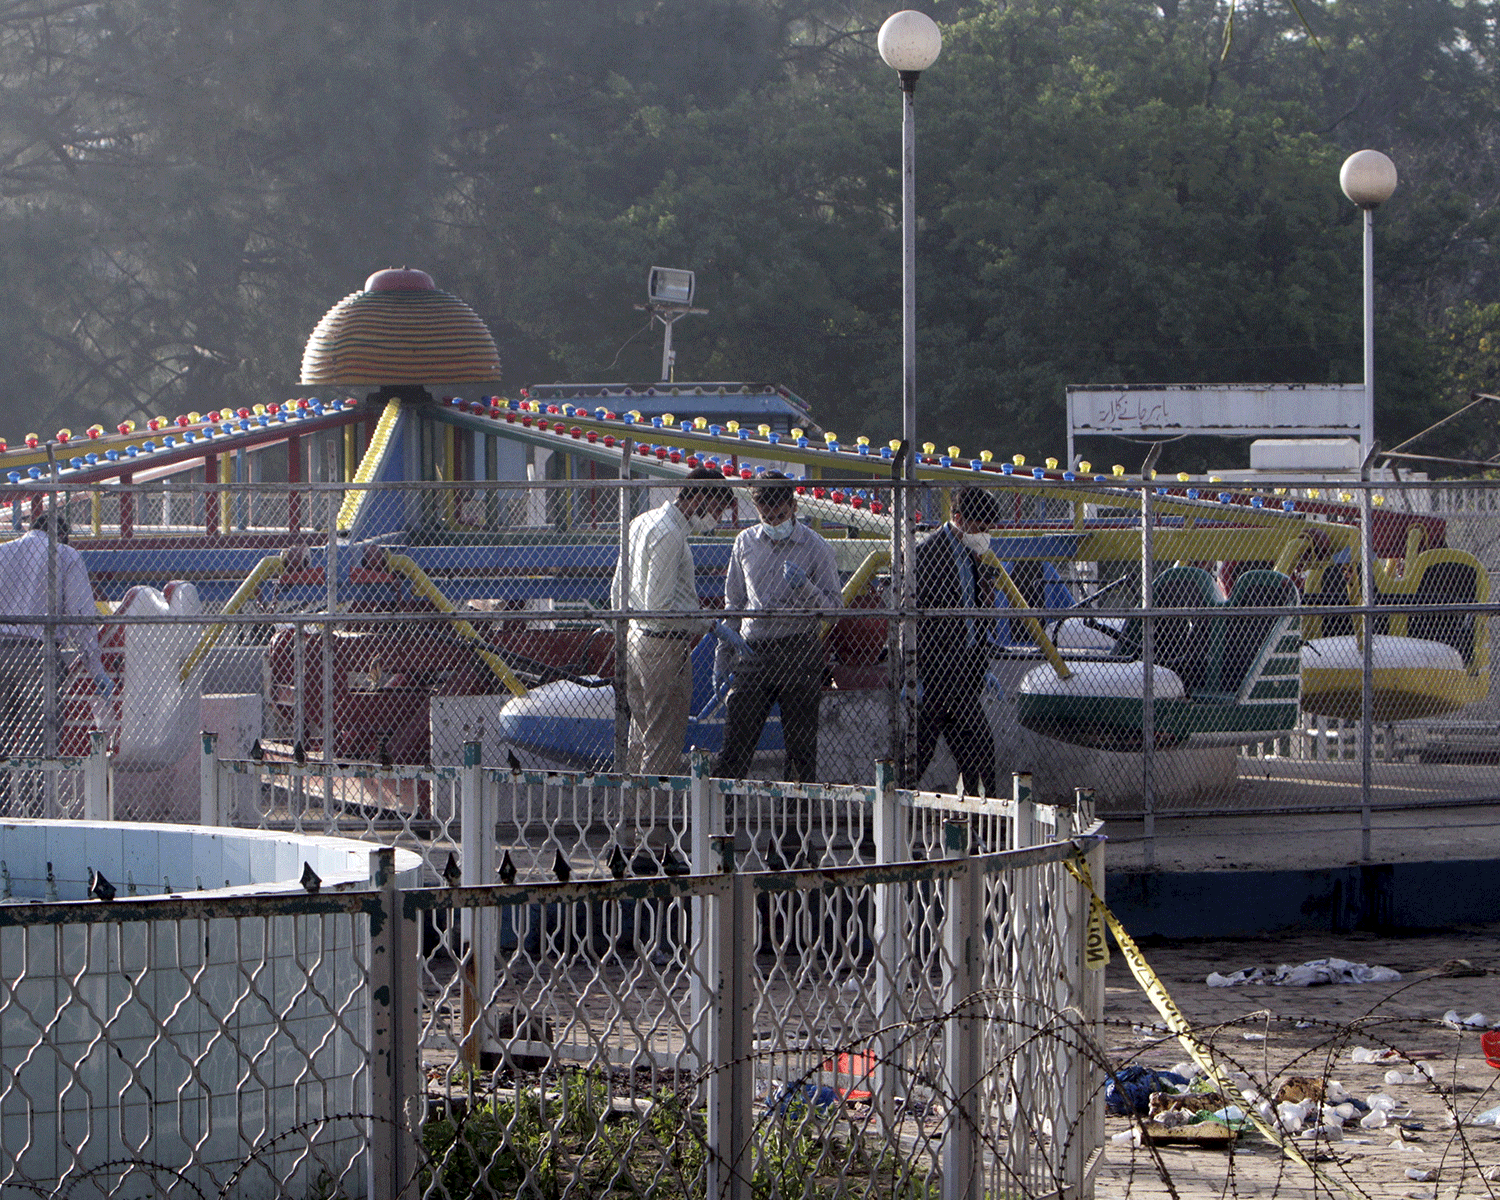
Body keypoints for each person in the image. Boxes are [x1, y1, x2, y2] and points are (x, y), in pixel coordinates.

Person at [712, 471, 842, 783]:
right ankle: (719, 822)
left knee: (801, 746)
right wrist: (723, 650)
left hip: (798, 648)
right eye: (766, 516)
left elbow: (834, 610)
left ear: (793, 506)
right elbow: (735, 601)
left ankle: (794, 828)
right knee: (736, 740)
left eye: (779, 515)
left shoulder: (815, 546)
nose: (773, 522)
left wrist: (805, 588)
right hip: (753, 647)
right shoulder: (746, 541)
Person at [610, 467, 734, 775]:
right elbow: (660, 607)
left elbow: (618, 588)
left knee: (640, 736)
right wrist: (707, 623)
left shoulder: (643, 522)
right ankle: (652, 820)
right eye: (716, 509)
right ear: (700, 499)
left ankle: (633, 814)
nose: (715, 519)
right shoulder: (670, 534)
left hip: (635, 639)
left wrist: (622, 636)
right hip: (664, 647)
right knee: (663, 742)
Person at [908, 486, 1004, 796]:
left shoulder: (970, 555)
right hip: (936, 672)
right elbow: (911, 619)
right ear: (959, 518)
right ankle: (882, 825)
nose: (984, 535)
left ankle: (978, 827)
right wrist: (914, 672)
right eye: (980, 527)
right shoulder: (927, 555)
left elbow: (971, 613)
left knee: (972, 753)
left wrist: (978, 659)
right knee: (923, 756)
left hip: (964, 670)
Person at [0, 511, 112, 770]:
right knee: (40, 744)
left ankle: (3, 805)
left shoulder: (3, 552)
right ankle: (37, 805)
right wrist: (96, 669)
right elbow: (80, 615)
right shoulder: (64, 554)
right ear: (63, 535)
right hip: (39, 655)